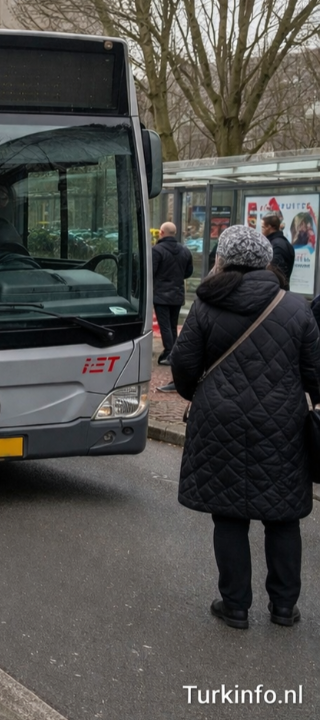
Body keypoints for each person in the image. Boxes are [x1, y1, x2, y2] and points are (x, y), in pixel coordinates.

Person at [169, 225, 320, 630]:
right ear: (265, 261)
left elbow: (183, 366)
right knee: (283, 517)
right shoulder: (296, 307)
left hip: (219, 422)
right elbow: (315, 375)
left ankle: (235, 605)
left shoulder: (205, 305)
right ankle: (284, 607)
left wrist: (198, 394)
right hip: (283, 425)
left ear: (223, 259)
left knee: (230, 516)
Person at [151, 221, 193, 373]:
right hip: (177, 292)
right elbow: (188, 272)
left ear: (161, 232)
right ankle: (173, 350)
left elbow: (151, 271)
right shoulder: (185, 250)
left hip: (161, 293)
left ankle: (169, 352)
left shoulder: (157, 250)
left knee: (165, 325)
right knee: (173, 324)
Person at [261, 213, 294, 290]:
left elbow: (276, 272)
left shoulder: (277, 245)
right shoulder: (279, 242)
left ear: (269, 227)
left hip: (276, 291)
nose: (261, 231)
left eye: (263, 227)